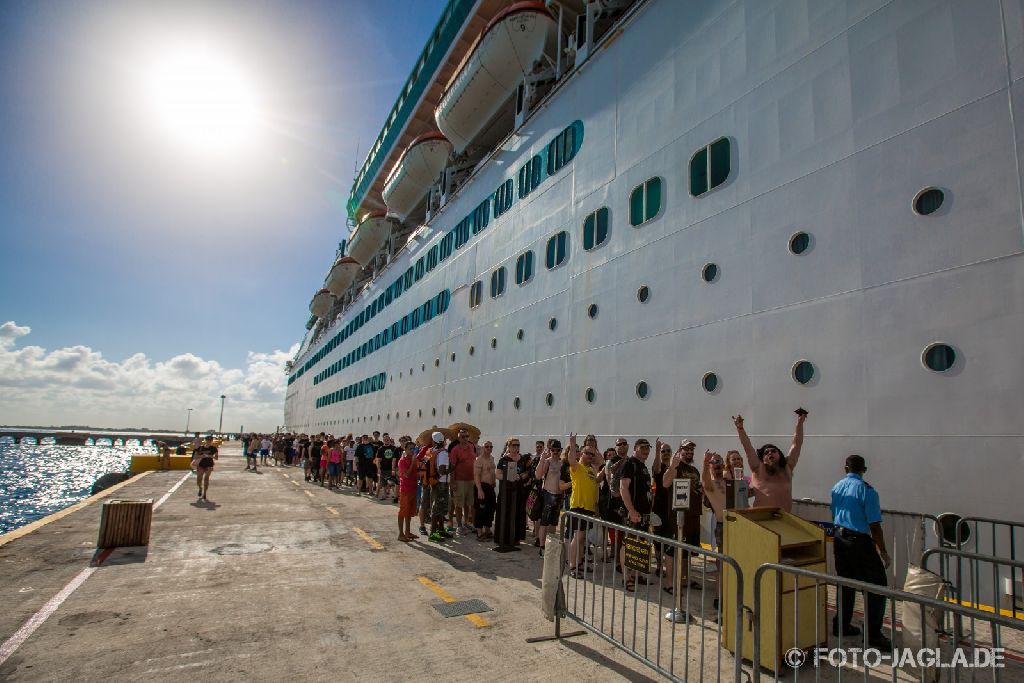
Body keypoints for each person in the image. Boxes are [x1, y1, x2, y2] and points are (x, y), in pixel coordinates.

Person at [831, 454, 892, 650]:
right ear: (864, 470)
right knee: (878, 586)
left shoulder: (837, 488)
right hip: (859, 541)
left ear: (845, 468)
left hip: (839, 539)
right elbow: (874, 525)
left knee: (845, 582)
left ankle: (841, 625)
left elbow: (834, 513)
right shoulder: (868, 491)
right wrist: (883, 551)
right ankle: (873, 635)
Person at [732, 410, 806, 511]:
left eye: (773, 451)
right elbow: (747, 447)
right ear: (762, 459)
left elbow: (796, 444)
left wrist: (800, 423)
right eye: (766, 453)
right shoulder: (758, 468)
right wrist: (740, 428)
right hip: (762, 519)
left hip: (784, 519)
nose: (770, 453)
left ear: (779, 454)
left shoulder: (787, 467)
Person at [661, 439, 704, 591]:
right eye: (687, 449)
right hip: (677, 517)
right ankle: (669, 583)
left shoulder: (695, 471)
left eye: (692, 449)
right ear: (680, 451)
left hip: (693, 516)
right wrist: (673, 466)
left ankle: (684, 580)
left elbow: (699, 490)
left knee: (686, 550)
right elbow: (665, 483)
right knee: (672, 550)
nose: (690, 452)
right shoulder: (675, 467)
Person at [618, 438, 653, 592]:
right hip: (632, 513)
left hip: (644, 514)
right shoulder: (629, 464)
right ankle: (627, 577)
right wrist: (631, 510)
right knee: (628, 543)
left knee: (642, 543)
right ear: (636, 448)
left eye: (648, 448)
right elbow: (623, 488)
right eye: (643, 448)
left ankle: (638, 574)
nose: (646, 451)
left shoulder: (643, 466)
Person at [566, 434, 603, 576]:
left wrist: (595, 449)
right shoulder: (578, 467)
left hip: (589, 508)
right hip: (578, 507)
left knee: (582, 539)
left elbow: (600, 461)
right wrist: (572, 443)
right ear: (581, 453)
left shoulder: (591, 469)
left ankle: (580, 562)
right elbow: (571, 459)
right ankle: (573, 566)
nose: (590, 456)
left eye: (591, 454)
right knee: (578, 537)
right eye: (587, 453)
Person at [534, 438, 570, 557]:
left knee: (554, 523)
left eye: (557, 450)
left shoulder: (562, 463)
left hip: (559, 495)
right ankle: (542, 546)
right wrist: (542, 459)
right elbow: (538, 476)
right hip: (548, 494)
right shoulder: (547, 462)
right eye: (553, 449)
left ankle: (551, 545)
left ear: (560, 450)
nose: (555, 452)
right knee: (544, 522)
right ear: (550, 450)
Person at [495, 438, 528, 546]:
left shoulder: (522, 459)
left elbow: (527, 472)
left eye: (518, 445)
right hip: (506, 492)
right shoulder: (504, 460)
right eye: (513, 445)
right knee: (506, 514)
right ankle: (504, 537)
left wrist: (523, 475)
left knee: (518, 514)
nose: (516, 447)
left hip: (519, 492)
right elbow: (497, 474)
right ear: (508, 446)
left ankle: (516, 537)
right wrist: (509, 476)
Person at [449, 429, 478, 532]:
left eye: (467, 436)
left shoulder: (471, 446)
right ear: (459, 438)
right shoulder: (455, 449)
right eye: (463, 437)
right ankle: (459, 526)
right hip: (459, 480)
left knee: (471, 503)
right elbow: (452, 467)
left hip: (471, 479)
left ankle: (468, 523)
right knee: (459, 504)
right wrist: (452, 482)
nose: (465, 438)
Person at [426, 432, 451, 542]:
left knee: (438, 507)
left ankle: (440, 530)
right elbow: (441, 471)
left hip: (434, 482)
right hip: (441, 483)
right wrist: (452, 468)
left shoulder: (432, 451)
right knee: (437, 509)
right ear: (443, 441)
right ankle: (433, 533)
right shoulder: (443, 453)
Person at [473, 440, 497, 540]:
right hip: (481, 486)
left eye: (491, 447)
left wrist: (494, 481)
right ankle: (479, 532)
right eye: (487, 447)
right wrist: (479, 489)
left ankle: (487, 529)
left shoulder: (491, 458)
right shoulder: (479, 460)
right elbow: (477, 475)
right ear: (483, 448)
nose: (489, 449)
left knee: (491, 508)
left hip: (490, 487)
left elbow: (492, 472)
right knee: (480, 509)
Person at [397, 442, 420, 541]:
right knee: (403, 512)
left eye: (413, 449)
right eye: (410, 449)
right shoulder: (402, 461)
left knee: (409, 512)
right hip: (405, 490)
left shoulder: (413, 459)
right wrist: (412, 463)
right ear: (405, 449)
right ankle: (401, 534)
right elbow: (406, 474)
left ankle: (407, 531)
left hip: (413, 488)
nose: (412, 451)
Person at [191, 435, 218, 501]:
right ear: (205, 440)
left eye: (210, 440)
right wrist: (202, 456)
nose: (209, 441)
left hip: (209, 465)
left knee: (206, 479)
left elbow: (216, 458)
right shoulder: (200, 448)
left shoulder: (214, 448)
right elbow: (195, 457)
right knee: (199, 480)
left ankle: (205, 494)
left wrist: (211, 456)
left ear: (212, 441)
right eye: (208, 440)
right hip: (200, 465)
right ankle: (200, 488)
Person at [376, 434, 399, 501]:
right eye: (385, 440)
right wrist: (379, 469)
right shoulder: (380, 449)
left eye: (387, 439)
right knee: (384, 483)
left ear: (389, 440)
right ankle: (384, 495)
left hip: (391, 469)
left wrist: (395, 468)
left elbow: (396, 459)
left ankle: (395, 496)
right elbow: (378, 460)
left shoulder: (394, 448)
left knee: (392, 483)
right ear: (383, 440)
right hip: (383, 468)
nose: (386, 441)